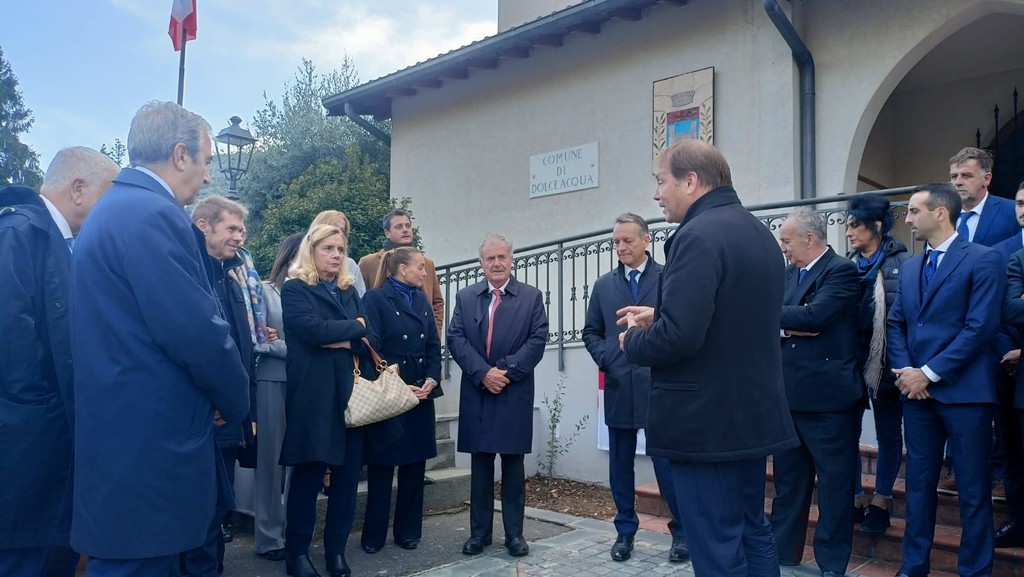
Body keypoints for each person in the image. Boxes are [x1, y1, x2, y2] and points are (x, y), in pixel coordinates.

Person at [70, 101, 250, 577]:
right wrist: (235, 398)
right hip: (150, 445)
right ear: (180, 154)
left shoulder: (114, 210)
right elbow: (196, 331)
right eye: (205, 160)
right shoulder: (154, 214)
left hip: (122, 435)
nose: (208, 175)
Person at [618, 139, 798, 577]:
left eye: (661, 182)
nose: (656, 194)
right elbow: (734, 314)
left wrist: (632, 341)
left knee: (716, 545)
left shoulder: (695, 235)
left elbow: (680, 337)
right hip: (750, 415)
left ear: (691, 181)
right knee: (753, 530)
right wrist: (662, 313)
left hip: (705, 424)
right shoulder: (758, 233)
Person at [0, 147, 118, 577]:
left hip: (48, 439)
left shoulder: (51, 237)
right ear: (79, 188)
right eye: (109, 195)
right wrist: (46, 406)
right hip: (29, 442)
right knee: (25, 557)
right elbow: (10, 339)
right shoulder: (18, 232)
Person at [888, 182, 1004, 577]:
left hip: (965, 394)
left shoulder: (984, 259)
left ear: (941, 213)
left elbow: (979, 328)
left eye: (914, 211)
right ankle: (913, 567)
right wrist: (908, 373)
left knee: (973, 490)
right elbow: (897, 323)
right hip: (916, 396)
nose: (907, 219)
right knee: (918, 487)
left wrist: (928, 373)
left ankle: (975, 571)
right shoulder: (911, 267)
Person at [280, 223, 396, 577]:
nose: (336, 255)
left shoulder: (348, 291)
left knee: (346, 481)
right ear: (311, 251)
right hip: (314, 397)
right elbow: (311, 331)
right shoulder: (295, 289)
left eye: (341, 249)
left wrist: (341, 337)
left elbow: (372, 336)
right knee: (308, 477)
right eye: (328, 248)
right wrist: (352, 330)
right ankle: (297, 554)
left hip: (350, 395)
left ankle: (336, 553)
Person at [581, 213, 687, 563]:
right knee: (620, 465)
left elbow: (678, 324)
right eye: (616, 241)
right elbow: (591, 331)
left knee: (667, 464)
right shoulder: (604, 285)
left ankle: (681, 533)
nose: (621, 247)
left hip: (659, 385)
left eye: (628, 240)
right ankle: (625, 531)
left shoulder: (668, 278)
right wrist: (607, 357)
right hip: (620, 385)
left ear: (646, 240)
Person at [448, 234, 548, 558]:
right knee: (480, 467)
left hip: (512, 390)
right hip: (478, 391)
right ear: (481, 263)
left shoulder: (531, 297)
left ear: (511, 258)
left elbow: (538, 340)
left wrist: (504, 370)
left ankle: (515, 535)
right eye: (490, 258)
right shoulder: (465, 297)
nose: (496, 263)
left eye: (501, 257)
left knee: (513, 466)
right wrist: (483, 373)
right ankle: (479, 534)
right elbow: (456, 338)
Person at [774, 208, 862, 577]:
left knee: (834, 486)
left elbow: (816, 317)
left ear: (809, 239)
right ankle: (782, 552)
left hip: (829, 401)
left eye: (786, 241)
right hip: (789, 396)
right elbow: (785, 317)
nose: (782, 248)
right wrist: (787, 323)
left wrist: (784, 319)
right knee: (788, 482)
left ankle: (832, 563)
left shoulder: (841, 270)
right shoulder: (788, 273)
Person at [184, 194, 268, 576]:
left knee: (219, 507)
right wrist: (217, 401)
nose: (240, 237)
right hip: (202, 416)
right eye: (232, 228)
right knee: (200, 510)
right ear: (204, 226)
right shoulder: (189, 277)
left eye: (242, 230)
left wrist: (246, 409)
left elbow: (243, 352)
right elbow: (193, 349)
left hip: (230, 414)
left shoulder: (230, 279)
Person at [359, 247, 444, 553]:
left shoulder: (420, 299)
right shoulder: (375, 298)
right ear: (402, 269)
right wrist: (398, 383)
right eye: (420, 267)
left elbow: (433, 344)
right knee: (382, 466)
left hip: (421, 392)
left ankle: (408, 531)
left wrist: (432, 379)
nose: (425, 272)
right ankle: (374, 535)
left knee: (415, 465)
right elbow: (372, 347)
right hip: (391, 392)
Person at [844, 193, 911, 536]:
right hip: (850, 362)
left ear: (877, 226)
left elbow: (904, 320)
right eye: (847, 225)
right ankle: (855, 498)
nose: (849, 232)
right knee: (847, 433)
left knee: (888, 434)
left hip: (885, 364)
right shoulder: (846, 266)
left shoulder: (903, 264)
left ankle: (882, 501)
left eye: (855, 225)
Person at [250, 233, 304, 561]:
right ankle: (268, 538)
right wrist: (291, 347)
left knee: (301, 462)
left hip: (305, 383)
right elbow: (258, 341)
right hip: (272, 380)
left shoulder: (312, 292)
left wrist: (280, 343)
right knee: (270, 462)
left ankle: (295, 531)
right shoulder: (264, 291)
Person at [359, 208, 445, 336]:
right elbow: (362, 302)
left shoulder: (427, 263)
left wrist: (436, 330)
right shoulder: (368, 263)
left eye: (408, 226)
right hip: (386, 338)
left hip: (423, 337)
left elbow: (437, 301)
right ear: (387, 233)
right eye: (399, 227)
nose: (405, 230)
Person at [949, 146, 1018, 248]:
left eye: (966, 175)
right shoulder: (942, 214)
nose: (958, 182)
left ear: (986, 179)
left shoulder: (1012, 210)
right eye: (954, 176)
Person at [310, 210, 367, 296]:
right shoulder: (297, 279)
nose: (338, 233)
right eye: (333, 228)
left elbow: (361, 298)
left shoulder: (350, 265)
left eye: (342, 231)